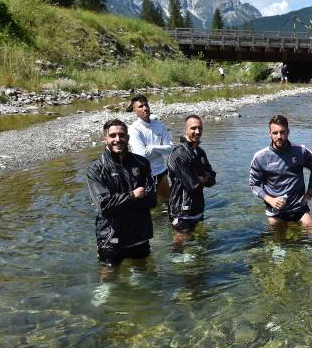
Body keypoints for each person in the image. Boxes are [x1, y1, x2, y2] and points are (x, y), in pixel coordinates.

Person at [86, 119, 157, 268]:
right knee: (109, 284)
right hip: (111, 237)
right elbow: (104, 206)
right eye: (113, 135)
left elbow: (152, 200)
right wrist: (133, 195)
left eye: (122, 135)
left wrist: (119, 202)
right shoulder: (96, 169)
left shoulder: (142, 163)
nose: (118, 139)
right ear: (105, 139)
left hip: (140, 235)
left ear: (128, 137)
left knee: (145, 281)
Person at [250, 114, 312, 232]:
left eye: (282, 132)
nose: (279, 136)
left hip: (299, 208)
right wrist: (270, 200)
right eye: (275, 133)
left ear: (288, 132)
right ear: (270, 134)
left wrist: (310, 191)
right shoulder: (260, 157)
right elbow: (254, 185)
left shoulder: (301, 151)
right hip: (275, 212)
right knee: (278, 244)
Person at [168, 115, 216, 241]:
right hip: (181, 210)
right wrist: (202, 178)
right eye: (193, 128)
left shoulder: (200, 152)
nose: (197, 132)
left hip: (198, 208)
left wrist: (204, 178)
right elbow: (192, 185)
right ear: (186, 130)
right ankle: (176, 259)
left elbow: (212, 179)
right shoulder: (180, 154)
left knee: (198, 243)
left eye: (200, 128)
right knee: (182, 241)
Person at [127, 95, 174, 198]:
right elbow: (141, 155)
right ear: (134, 110)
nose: (145, 108)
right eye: (140, 106)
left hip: (161, 172)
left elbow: (171, 149)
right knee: (150, 208)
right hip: (143, 175)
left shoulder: (159, 125)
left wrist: (151, 147)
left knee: (169, 201)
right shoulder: (134, 129)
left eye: (146, 105)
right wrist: (162, 149)